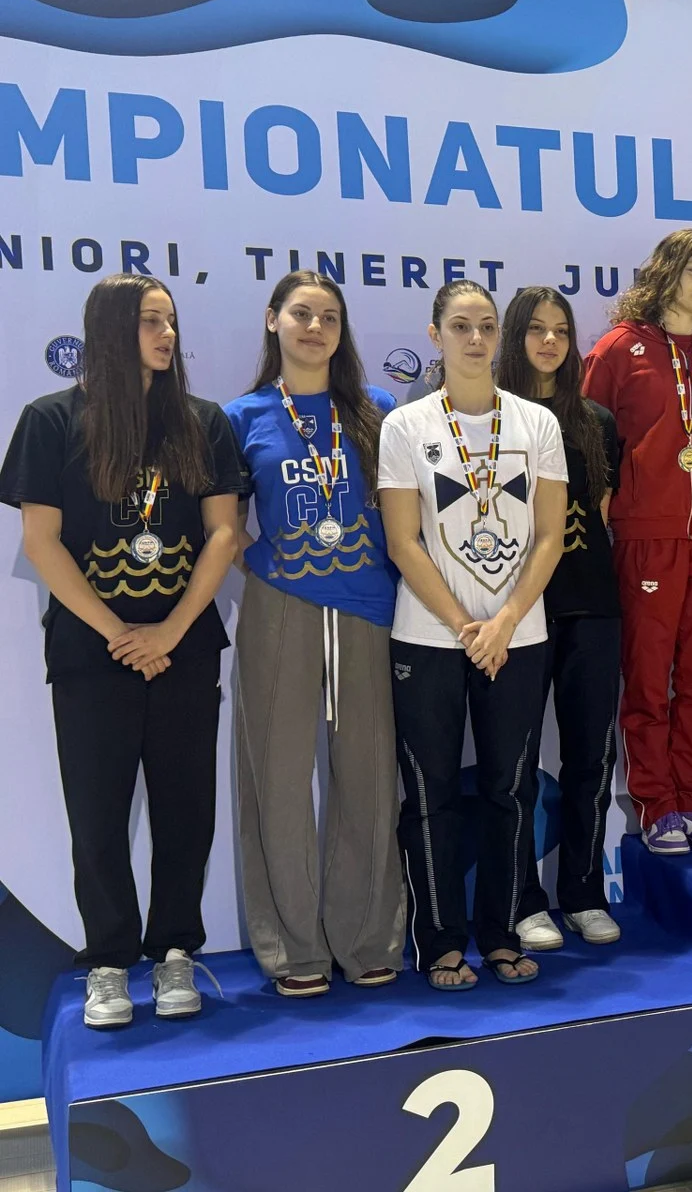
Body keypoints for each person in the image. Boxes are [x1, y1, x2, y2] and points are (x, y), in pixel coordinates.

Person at [0, 273, 245, 1027]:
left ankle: (175, 953)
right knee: (97, 813)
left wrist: (169, 632)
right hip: (90, 653)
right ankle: (108, 960)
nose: (167, 335)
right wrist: (118, 633)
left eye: (170, 321)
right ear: (109, 329)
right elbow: (41, 541)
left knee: (185, 810)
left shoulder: (202, 422)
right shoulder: (50, 420)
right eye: (149, 321)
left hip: (185, 650)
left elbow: (225, 534)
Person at [377, 280, 567, 990]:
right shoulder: (406, 426)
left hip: (518, 635)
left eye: (487, 325)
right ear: (435, 335)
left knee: (509, 792)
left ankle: (502, 930)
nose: (477, 338)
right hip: (429, 636)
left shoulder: (536, 424)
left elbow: (549, 536)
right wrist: (466, 626)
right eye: (461, 326)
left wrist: (506, 620)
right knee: (430, 796)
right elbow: (403, 541)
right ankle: (439, 941)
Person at [225, 272, 406, 997]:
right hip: (281, 607)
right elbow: (222, 525)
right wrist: (264, 563)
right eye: (301, 313)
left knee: (370, 777)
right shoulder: (242, 416)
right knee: (276, 777)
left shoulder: (377, 409)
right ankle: (293, 947)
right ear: (273, 320)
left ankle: (365, 939)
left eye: (329, 317)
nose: (315, 327)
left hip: (369, 608)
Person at [583, 229, 692, 856]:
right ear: (664, 273)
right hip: (646, 534)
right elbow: (589, 441)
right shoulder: (618, 348)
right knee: (649, 678)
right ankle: (657, 805)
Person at [498, 286, 623, 949]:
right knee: (514, 765)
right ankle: (523, 900)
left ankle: (583, 892)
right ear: (513, 336)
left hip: (591, 606)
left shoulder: (596, 419)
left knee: (590, 761)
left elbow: (600, 513)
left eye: (561, 331)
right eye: (536, 329)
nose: (549, 341)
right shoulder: (489, 418)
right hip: (517, 611)